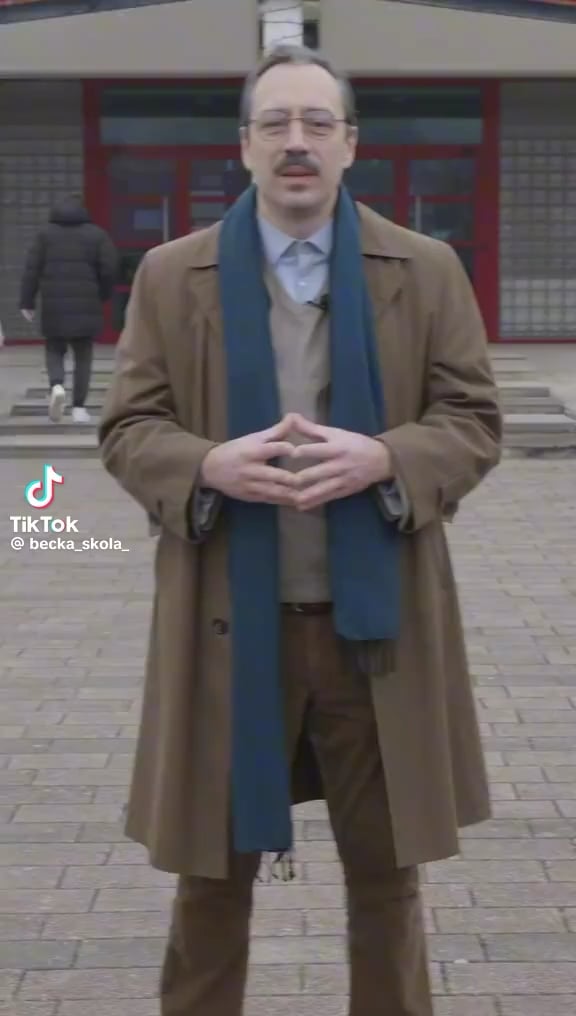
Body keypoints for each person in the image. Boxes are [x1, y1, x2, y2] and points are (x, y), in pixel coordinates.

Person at [98, 45, 502, 1016]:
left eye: (318, 123)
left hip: (376, 632)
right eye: (275, 123)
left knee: (388, 883)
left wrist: (387, 457)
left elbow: (472, 420)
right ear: (243, 144)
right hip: (230, 630)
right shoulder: (171, 275)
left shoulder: (426, 269)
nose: (296, 142)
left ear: (350, 143)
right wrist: (205, 464)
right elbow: (129, 427)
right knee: (209, 886)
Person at [19, 195, 118, 423]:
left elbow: (31, 270)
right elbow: (109, 268)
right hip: (87, 303)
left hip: (54, 304)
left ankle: (56, 385)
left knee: (54, 348)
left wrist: (27, 302)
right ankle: (79, 408)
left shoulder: (44, 235)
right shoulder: (97, 235)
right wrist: (102, 294)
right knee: (83, 356)